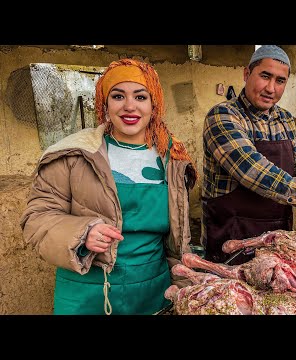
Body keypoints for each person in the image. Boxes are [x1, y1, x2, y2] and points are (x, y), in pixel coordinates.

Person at [20, 59, 197, 315]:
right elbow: (35, 219)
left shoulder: (173, 158)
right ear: (104, 102)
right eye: (118, 96)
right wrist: (82, 232)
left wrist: (182, 282)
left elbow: (178, 235)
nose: (129, 106)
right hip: (87, 289)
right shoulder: (74, 154)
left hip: (154, 288)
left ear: (154, 103)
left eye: (140, 96)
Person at [202, 45, 296, 264]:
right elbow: (252, 170)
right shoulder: (223, 116)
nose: (271, 88)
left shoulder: (285, 118)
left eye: (280, 81)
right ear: (246, 74)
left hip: (276, 236)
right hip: (231, 236)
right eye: (265, 76)